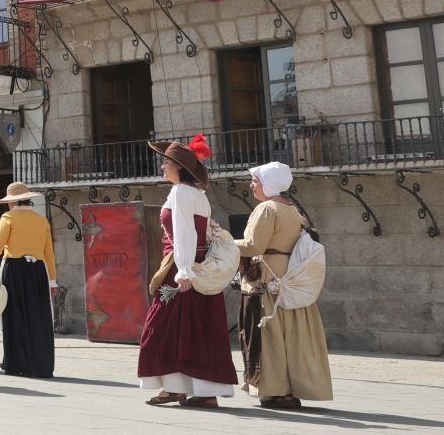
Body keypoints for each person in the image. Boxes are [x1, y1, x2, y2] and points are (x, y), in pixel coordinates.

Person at [138, 136, 238, 408]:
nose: (162, 167)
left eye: (166, 163)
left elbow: (185, 234)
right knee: (196, 330)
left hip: (184, 269)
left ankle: (175, 388)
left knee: (162, 329)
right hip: (196, 267)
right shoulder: (197, 194)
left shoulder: (181, 193)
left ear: (178, 167)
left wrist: (183, 271)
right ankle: (200, 391)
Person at [235, 160, 332, 409]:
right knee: (291, 339)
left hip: (267, 280)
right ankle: (289, 390)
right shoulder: (292, 209)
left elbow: (254, 246)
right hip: (286, 280)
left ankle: (274, 390)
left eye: (255, 181)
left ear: (268, 184)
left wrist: (223, 242)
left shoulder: (267, 209)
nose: (251, 185)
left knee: (270, 338)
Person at [0, 181, 56, 379]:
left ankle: (15, 362)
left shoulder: (8, 217)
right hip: (38, 271)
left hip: (15, 269)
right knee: (37, 318)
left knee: (15, 315)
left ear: (12, 202)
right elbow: (49, 253)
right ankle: (40, 364)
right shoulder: (42, 220)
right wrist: (52, 280)